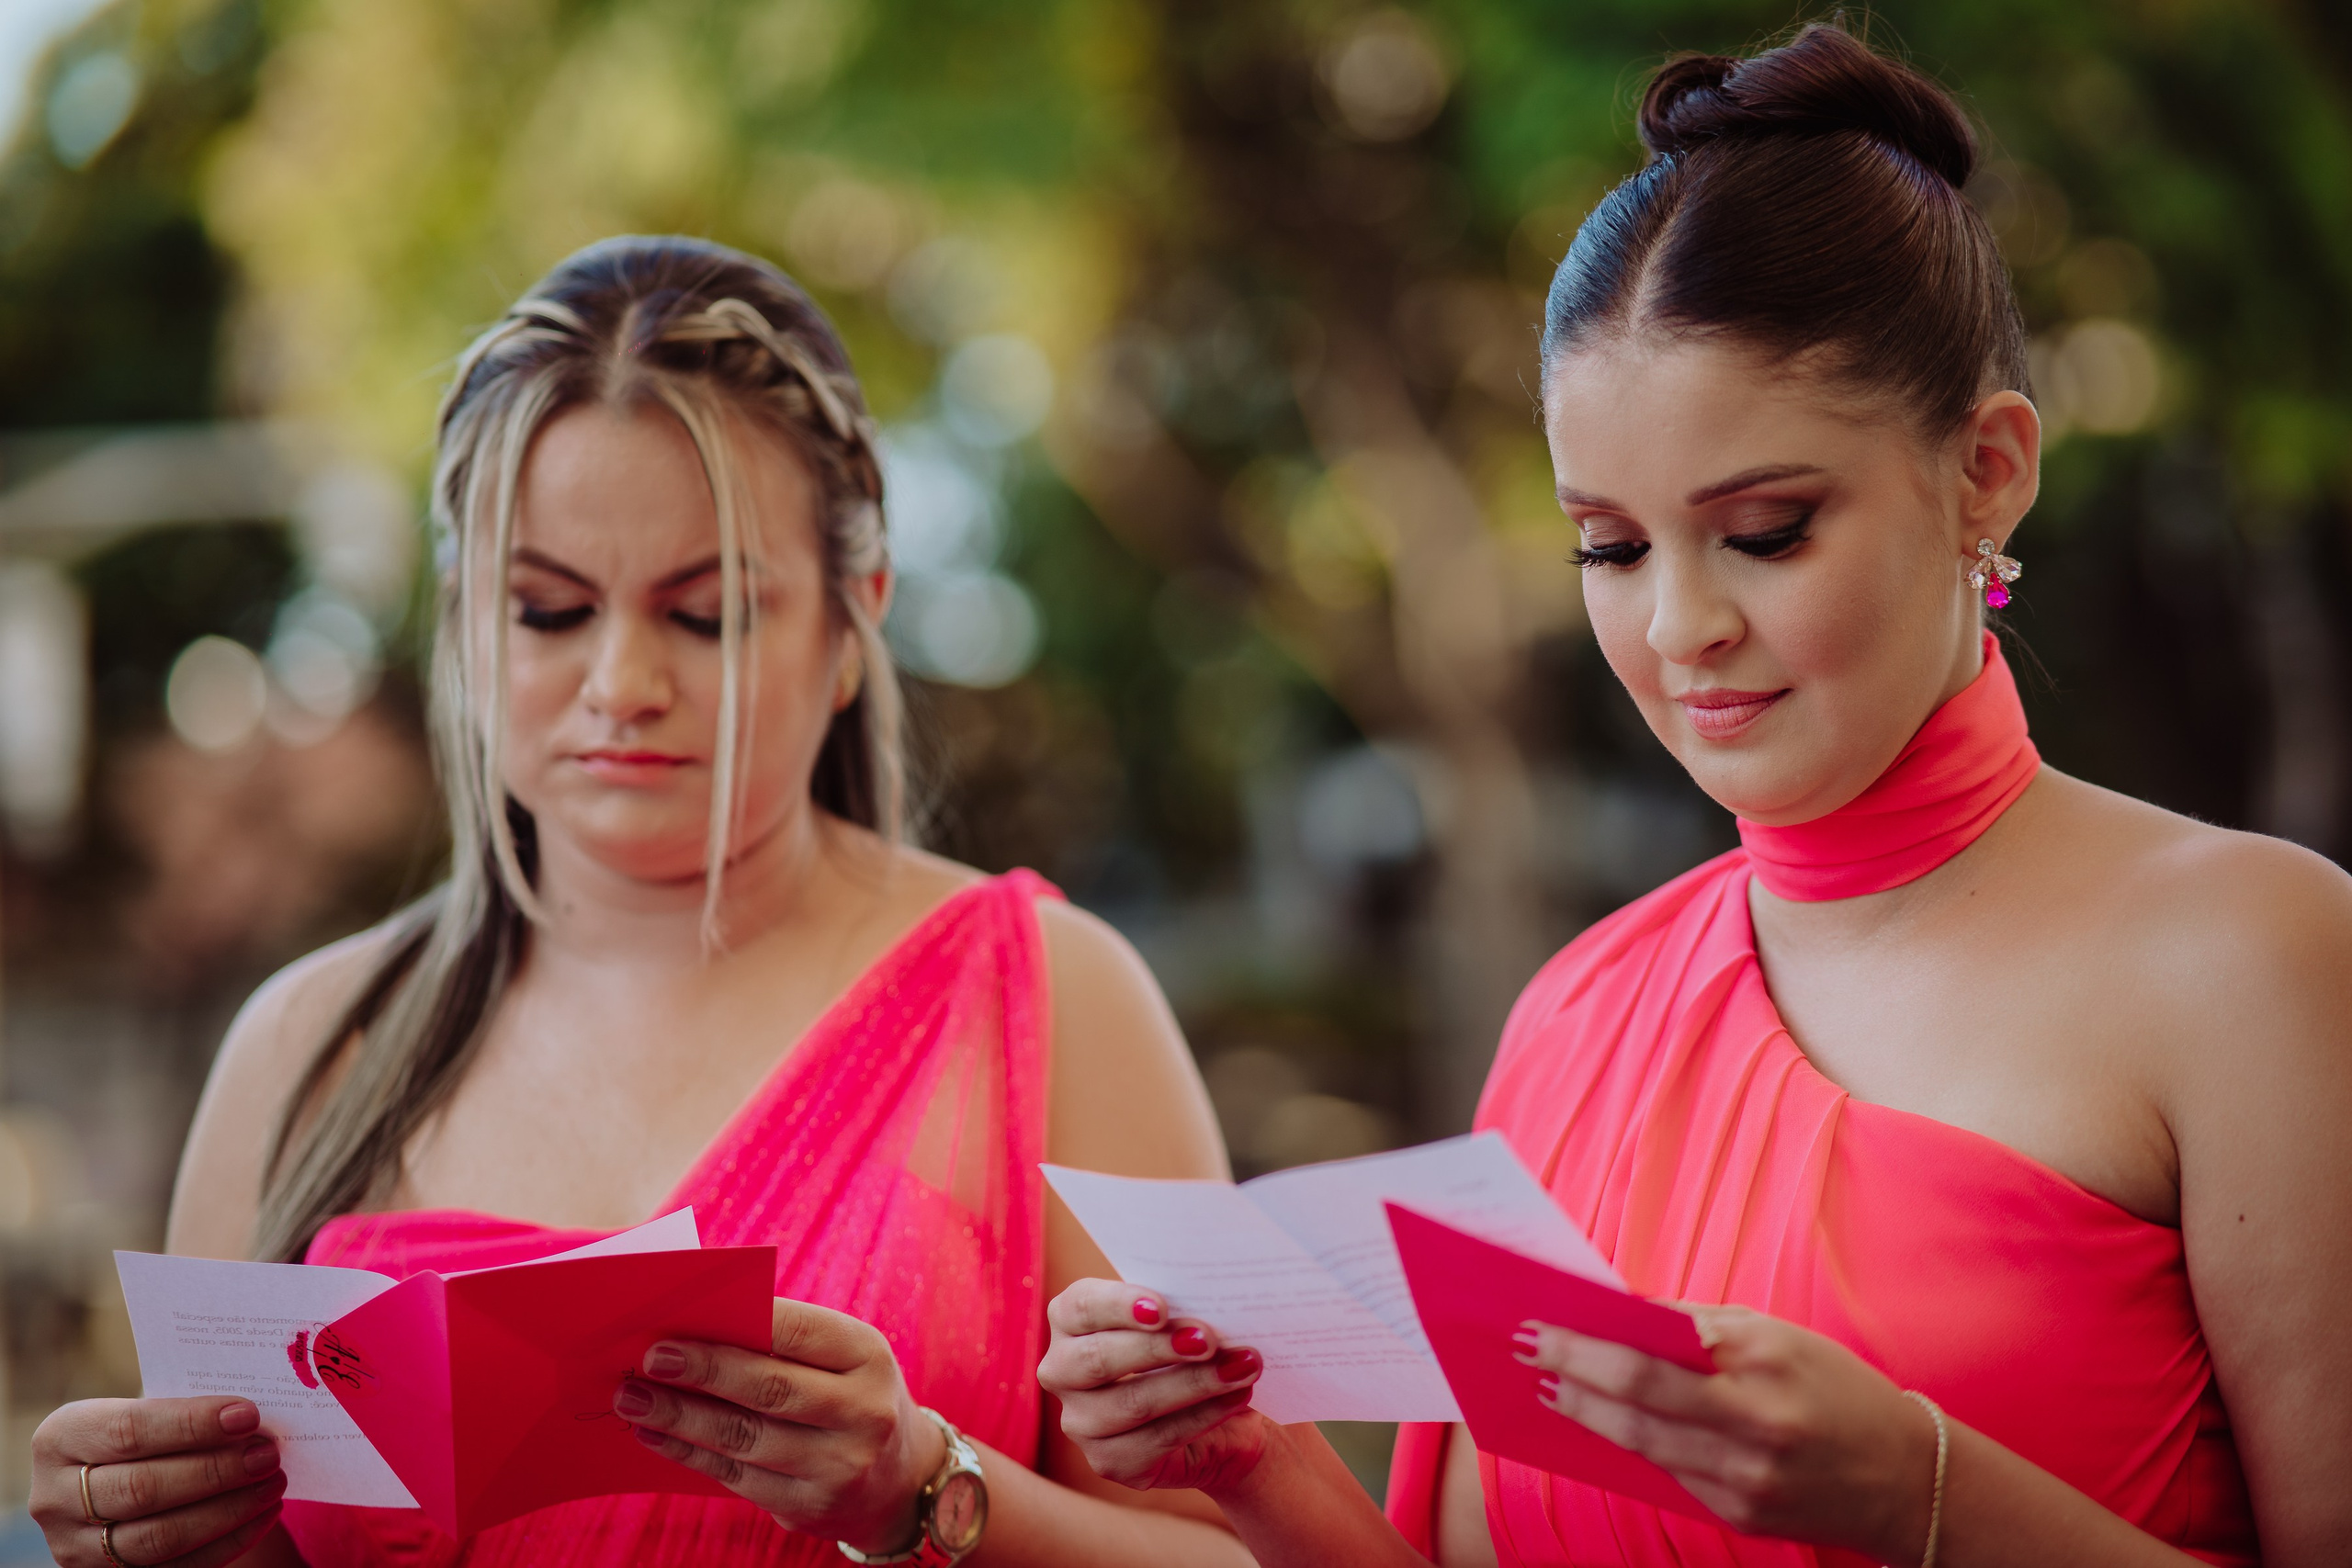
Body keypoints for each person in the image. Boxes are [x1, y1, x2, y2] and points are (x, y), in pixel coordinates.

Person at [1038, 23, 2352, 1568]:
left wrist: (1923, 1494)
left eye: (1768, 531)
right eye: (1609, 547)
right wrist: (1255, 1465)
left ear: (1988, 471)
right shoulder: (1572, 1019)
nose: (1677, 630)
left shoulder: (2252, 957)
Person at [28, 237, 1263, 1568]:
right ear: (464, 626)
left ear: (854, 624)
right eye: (550, 611)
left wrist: (928, 1494)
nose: (622, 681)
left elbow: (1238, 1549)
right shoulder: (306, 1042)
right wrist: (155, 1534)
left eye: (708, 614)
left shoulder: (1050, 994)